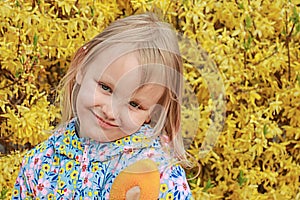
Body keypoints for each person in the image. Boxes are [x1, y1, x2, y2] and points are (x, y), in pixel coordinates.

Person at [12, 12, 192, 199]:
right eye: (106, 88)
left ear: (153, 112)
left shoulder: (159, 173)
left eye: (134, 104)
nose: (111, 112)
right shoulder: (41, 162)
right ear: (83, 65)